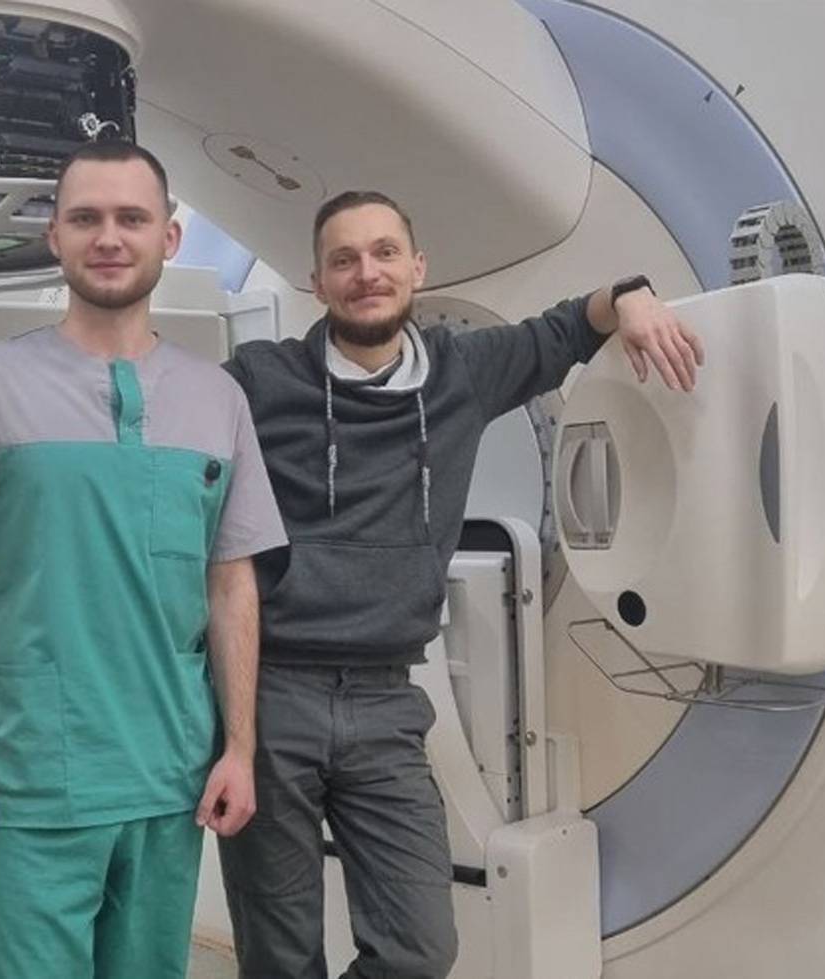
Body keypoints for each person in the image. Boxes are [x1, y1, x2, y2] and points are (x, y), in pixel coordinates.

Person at [218, 189, 704, 979]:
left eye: (384, 253)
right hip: (274, 696)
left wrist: (635, 296)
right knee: (279, 954)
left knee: (421, 948)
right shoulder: (261, 378)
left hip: (387, 702)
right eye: (344, 259)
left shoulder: (463, 371)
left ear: (418, 267)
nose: (366, 273)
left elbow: (569, 327)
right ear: (316, 281)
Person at [0, 141, 287, 979]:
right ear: (55, 236)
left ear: (168, 238)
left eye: (131, 218)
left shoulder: (217, 399)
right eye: (86, 218)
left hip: (168, 777)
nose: (109, 237)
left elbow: (230, 582)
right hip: (28, 781)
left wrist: (239, 748)